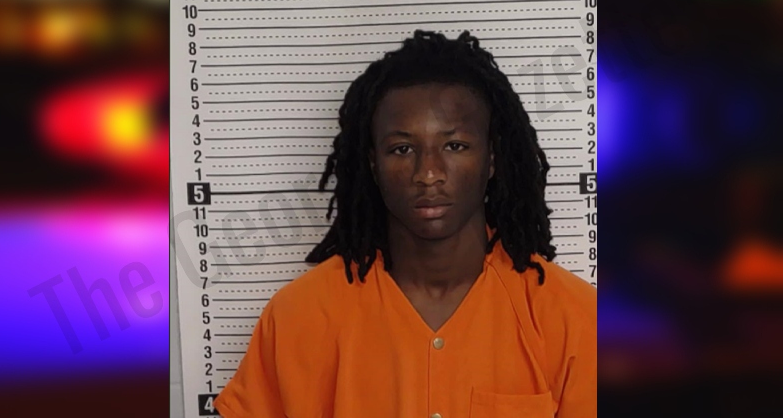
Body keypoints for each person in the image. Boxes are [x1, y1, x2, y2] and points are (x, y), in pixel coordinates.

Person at [214, 31, 596, 418]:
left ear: (492, 158)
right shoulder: (299, 317)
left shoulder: (574, 319)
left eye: (455, 146)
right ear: (373, 164)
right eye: (402, 149)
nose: (428, 174)